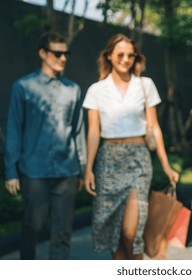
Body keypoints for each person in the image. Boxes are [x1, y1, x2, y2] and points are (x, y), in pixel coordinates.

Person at [83, 33, 180, 260]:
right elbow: (93, 131)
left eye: (130, 55)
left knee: (131, 231)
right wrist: (88, 169)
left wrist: (166, 166)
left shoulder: (145, 85)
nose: (125, 59)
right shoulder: (96, 90)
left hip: (138, 160)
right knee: (114, 236)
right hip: (108, 161)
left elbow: (155, 127)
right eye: (120, 54)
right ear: (109, 56)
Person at [4, 32, 86, 260]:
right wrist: (11, 170)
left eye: (66, 53)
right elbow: (14, 129)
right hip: (34, 170)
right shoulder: (23, 87)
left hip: (67, 171)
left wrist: (82, 167)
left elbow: (78, 130)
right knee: (33, 227)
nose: (63, 58)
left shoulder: (73, 89)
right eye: (58, 53)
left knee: (62, 233)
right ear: (43, 53)